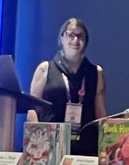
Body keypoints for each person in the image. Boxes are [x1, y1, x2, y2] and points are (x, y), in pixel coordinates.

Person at [27, 18, 106, 156]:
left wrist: (105, 144)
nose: (76, 40)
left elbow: (100, 112)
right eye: (71, 35)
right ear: (61, 38)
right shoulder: (45, 68)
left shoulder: (95, 72)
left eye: (80, 36)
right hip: (49, 145)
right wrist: (37, 141)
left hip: (86, 146)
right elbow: (32, 110)